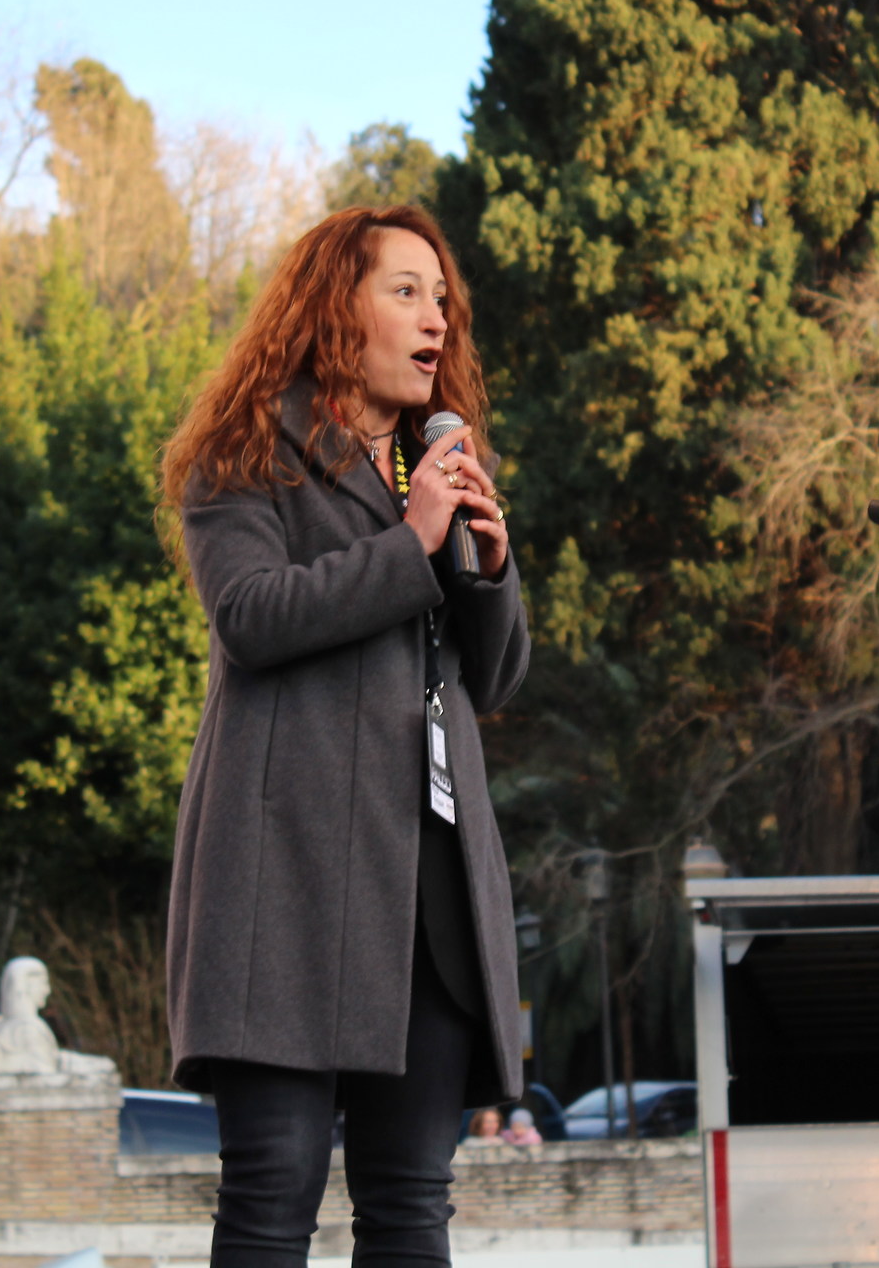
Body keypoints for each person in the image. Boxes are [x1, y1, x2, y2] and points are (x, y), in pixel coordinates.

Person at [161, 204, 531, 1268]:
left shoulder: (435, 464)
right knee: (273, 1191)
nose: (435, 315)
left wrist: (489, 571)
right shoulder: (244, 455)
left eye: (441, 297)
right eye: (405, 290)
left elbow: (494, 679)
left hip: (428, 894)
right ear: (336, 309)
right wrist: (411, 545)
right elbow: (254, 617)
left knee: (412, 1204)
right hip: (285, 880)